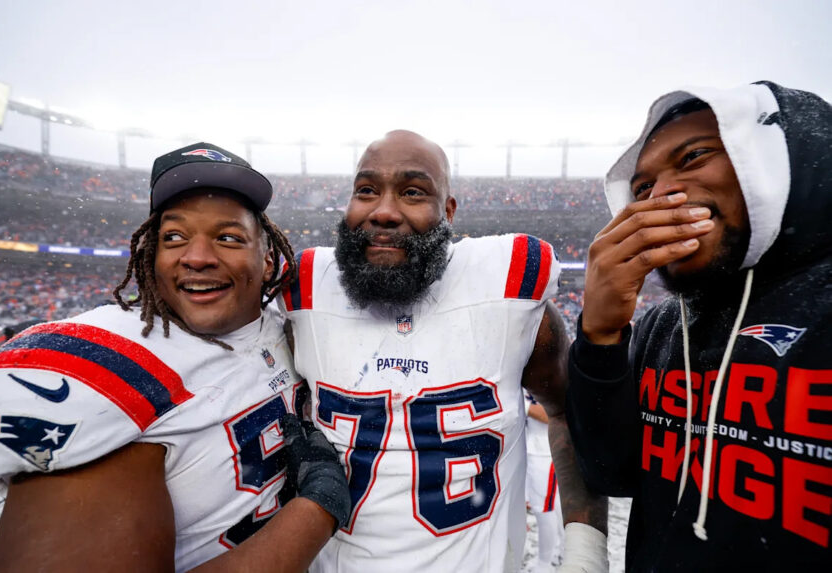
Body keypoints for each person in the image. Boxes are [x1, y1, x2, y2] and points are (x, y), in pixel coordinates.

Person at [0, 142, 350, 572]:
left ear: (268, 261)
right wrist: (315, 509)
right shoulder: (112, 356)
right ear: (151, 255)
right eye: (174, 237)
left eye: (228, 237)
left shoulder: (288, 328)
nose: (197, 257)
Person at [280, 130, 607, 572]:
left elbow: (569, 413)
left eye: (413, 192)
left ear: (448, 211)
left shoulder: (508, 288)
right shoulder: (306, 292)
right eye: (366, 190)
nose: (383, 211)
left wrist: (586, 554)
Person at [566, 82, 832, 570]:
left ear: (779, 156)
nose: (661, 196)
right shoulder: (662, 326)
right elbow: (612, 472)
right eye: (641, 189)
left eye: (693, 157)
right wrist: (599, 337)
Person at [525, 391, 565, 572]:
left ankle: (544, 564)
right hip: (532, 445)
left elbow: (552, 414)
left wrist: (521, 405)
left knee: (543, 509)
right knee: (554, 505)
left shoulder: (557, 373)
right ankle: (563, 550)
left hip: (544, 450)